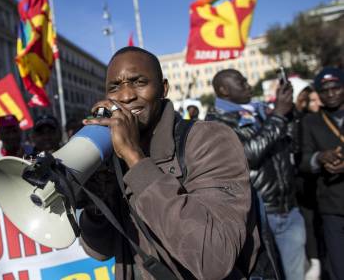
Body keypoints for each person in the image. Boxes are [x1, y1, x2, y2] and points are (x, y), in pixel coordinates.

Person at [80, 47, 259, 279]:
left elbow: (213, 258)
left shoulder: (208, 139)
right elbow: (100, 251)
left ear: (163, 89)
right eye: (114, 87)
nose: (125, 96)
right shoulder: (113, 155)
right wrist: (98, 205)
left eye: (138, 82)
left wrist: (136, 159)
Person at [206, 69, 305, 280]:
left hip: (287, 208)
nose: (248, 85)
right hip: (259, 216)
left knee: (296, 274)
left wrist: (289, 114)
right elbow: (246, 156)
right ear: (223, 90)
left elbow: (292, 146)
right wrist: (278, 115)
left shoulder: (261, 110)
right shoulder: (215, 122)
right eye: (241, 82)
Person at [300, 67, 344, 280]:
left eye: (336, 88)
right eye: (324, 90)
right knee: (338, 267)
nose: (331, 93)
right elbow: (303, 161)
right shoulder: (310, 121)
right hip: (332, 207)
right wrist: (319, 157)